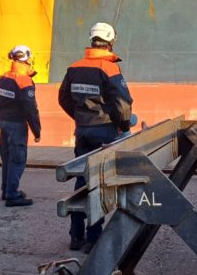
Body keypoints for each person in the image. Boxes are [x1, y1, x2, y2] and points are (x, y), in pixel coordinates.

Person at [58, 22, 133, 253]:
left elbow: (64, 99)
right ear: (110, 42)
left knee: (82, 181)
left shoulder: (74, 67)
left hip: (82, 131)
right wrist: (121, 126)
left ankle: (76, 237)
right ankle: (93, 239)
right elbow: (122, 105)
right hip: (105, 131)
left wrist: (80, 118)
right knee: (99, 184)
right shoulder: (109, 69)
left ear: (92, 40)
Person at [0, 45, 41, 207]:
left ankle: (6, 190)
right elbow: (30, 108)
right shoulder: (24, 81)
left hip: (4, 122)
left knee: (6, 158)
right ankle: (13, 195)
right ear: (27, 59)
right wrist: (37, 131)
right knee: (17, 159)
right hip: (16, 125)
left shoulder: (3, 78)